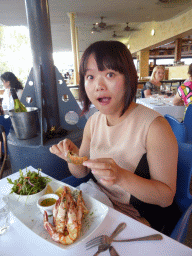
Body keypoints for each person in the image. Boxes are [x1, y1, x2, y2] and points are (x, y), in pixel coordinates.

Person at [50, 41, 179, 235]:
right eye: (90, 76)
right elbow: (81, 171)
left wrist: (120, 176)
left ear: (128, 78)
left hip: (141, 216)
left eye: (110, 74)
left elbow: (166, 197)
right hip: (100, 203)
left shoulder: (155, 127)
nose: (99, 86)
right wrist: (71, 156)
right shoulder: (93, 122)